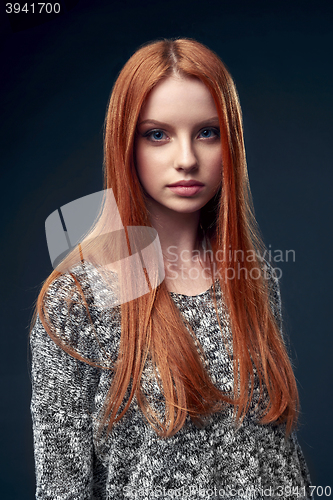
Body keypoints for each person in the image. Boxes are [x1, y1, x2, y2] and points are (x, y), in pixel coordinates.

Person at [29, 38, 312, 499]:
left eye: (207, 132)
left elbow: (279, 458)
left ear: (231, 142)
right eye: (157, 134)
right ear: (126, 143)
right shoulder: (77, 300)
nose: (186, 159)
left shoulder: (251, 278)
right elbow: (62, 487)